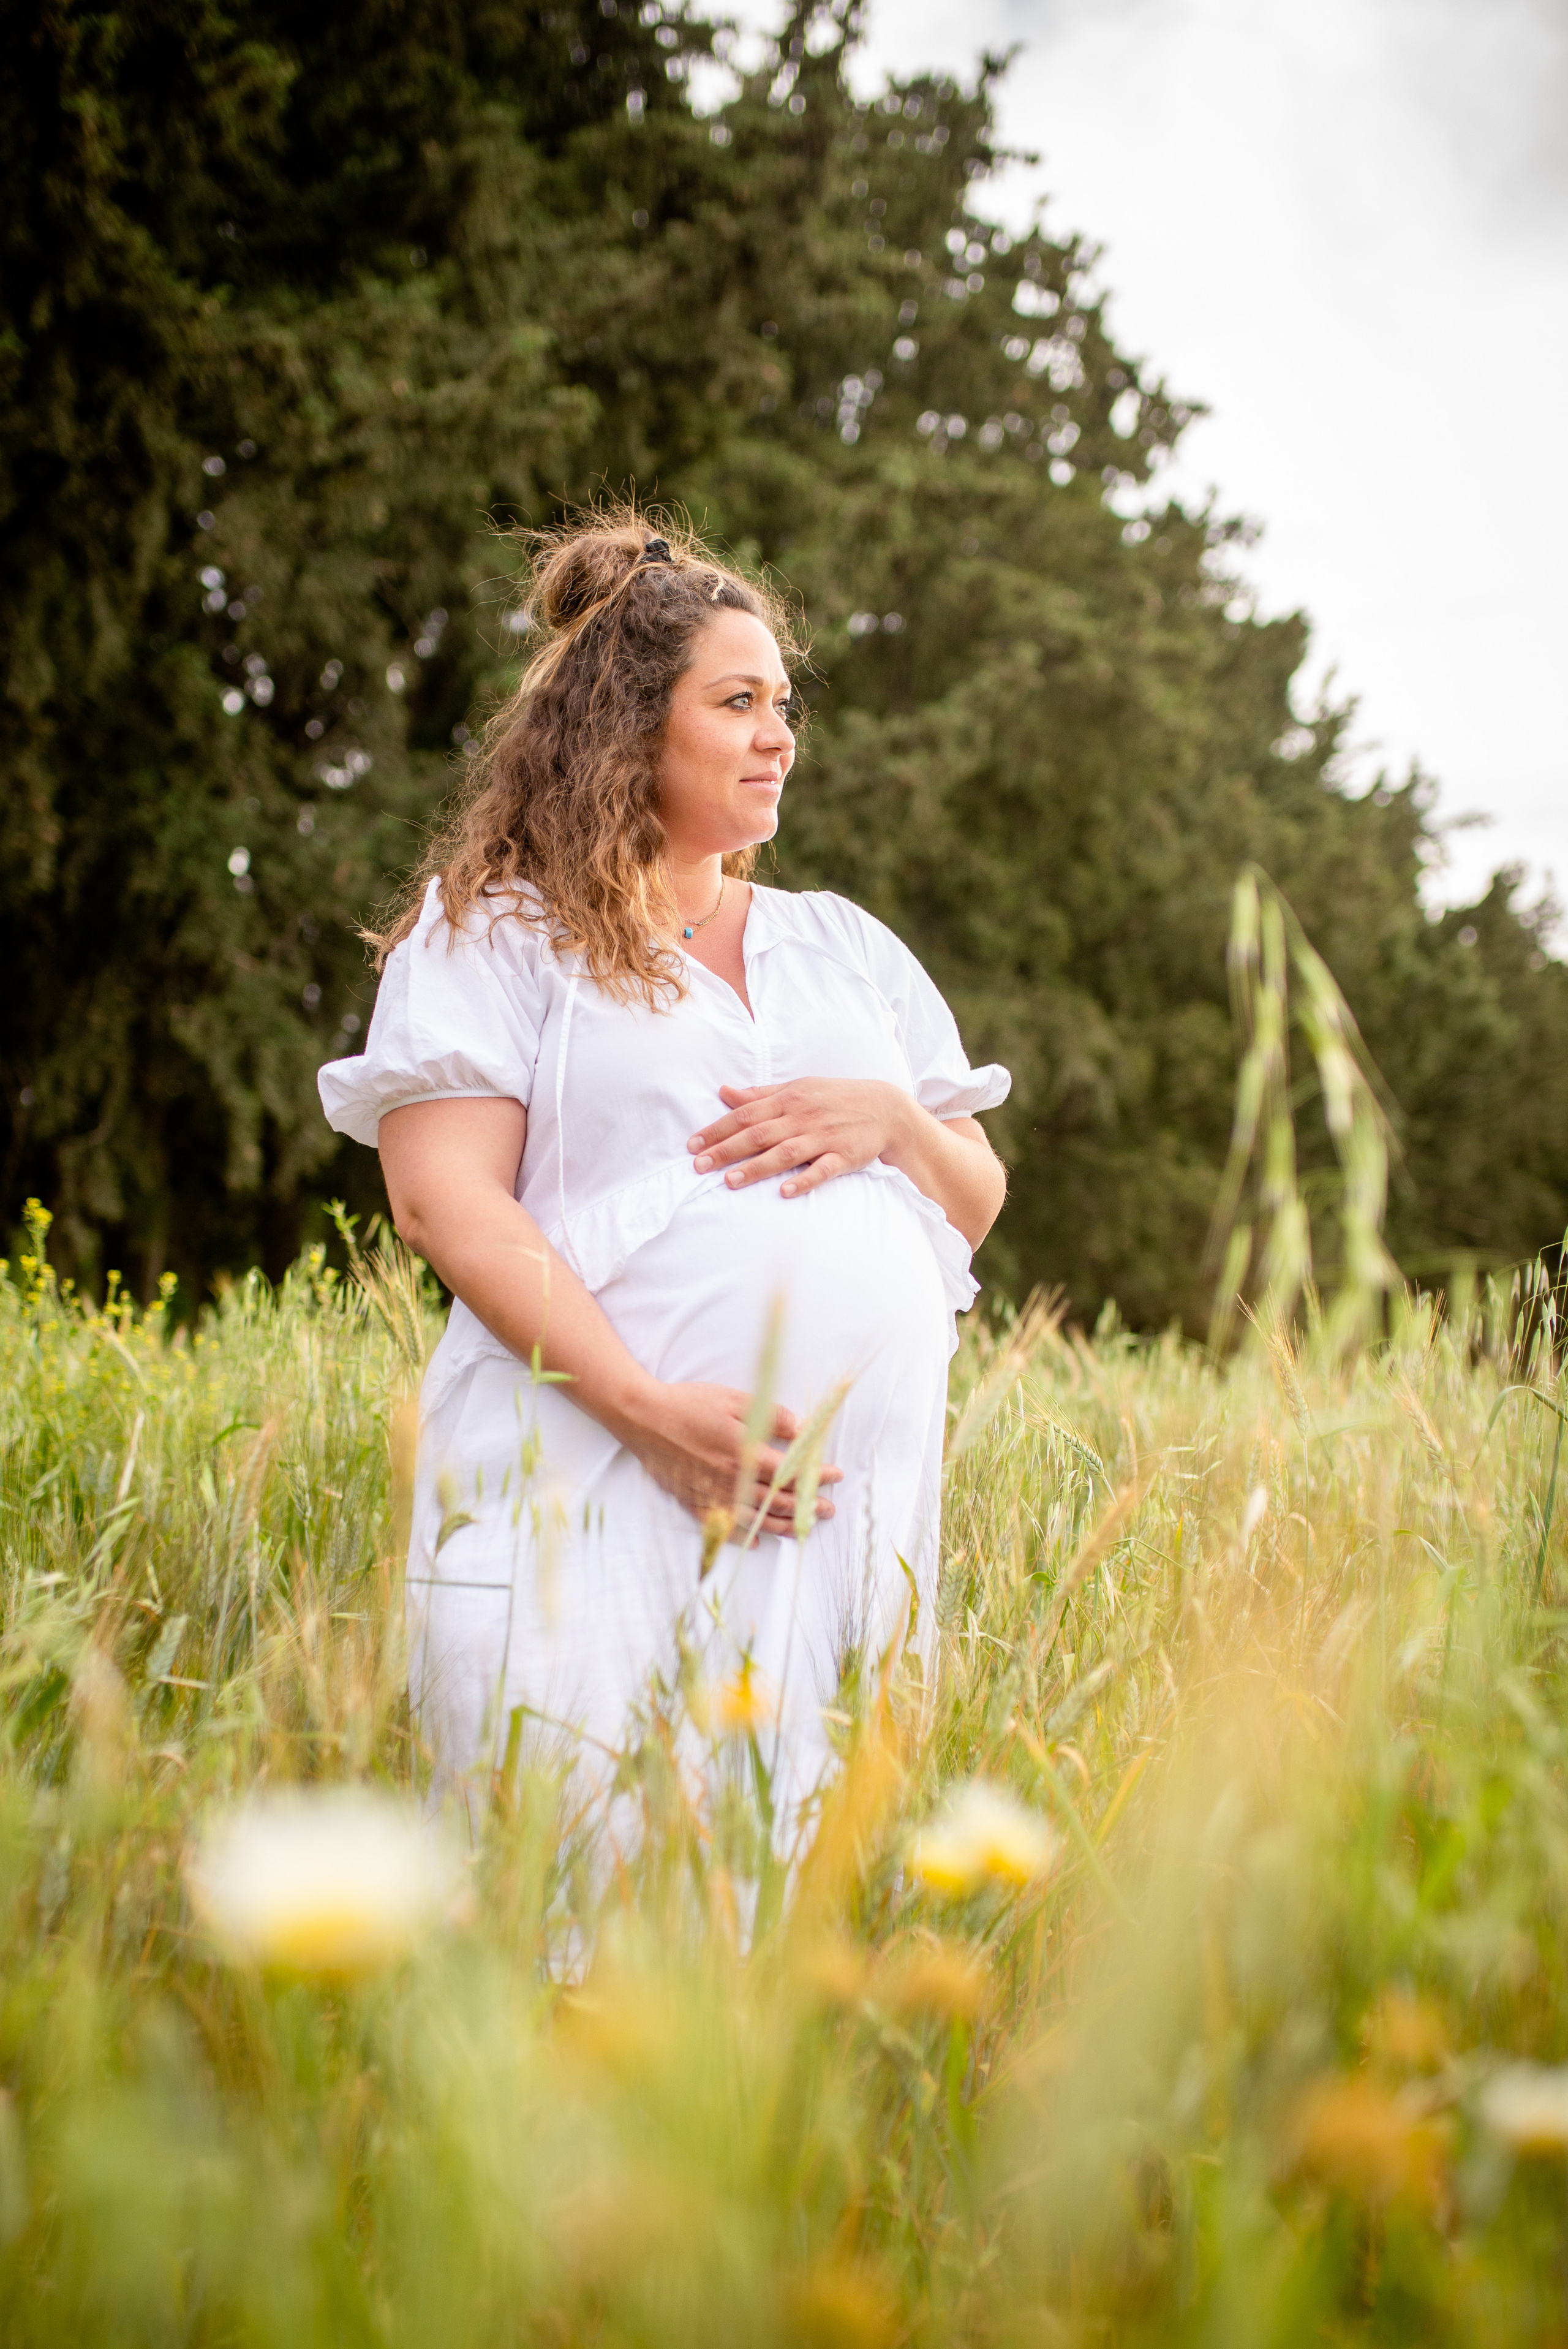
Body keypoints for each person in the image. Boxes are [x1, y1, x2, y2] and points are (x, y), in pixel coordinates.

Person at [318, 514, 1009, 1840]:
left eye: (783, 704)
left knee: (779, 1908)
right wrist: (644, 1412)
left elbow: (970, 1202)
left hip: (837, 1538)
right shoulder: (499, 934)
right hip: (592, 1484)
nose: (779, 736)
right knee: (585, 1876)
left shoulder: (843, 949)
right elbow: (441, 1198)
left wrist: (895, 1124)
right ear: (628, 726)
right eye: (737, 702)